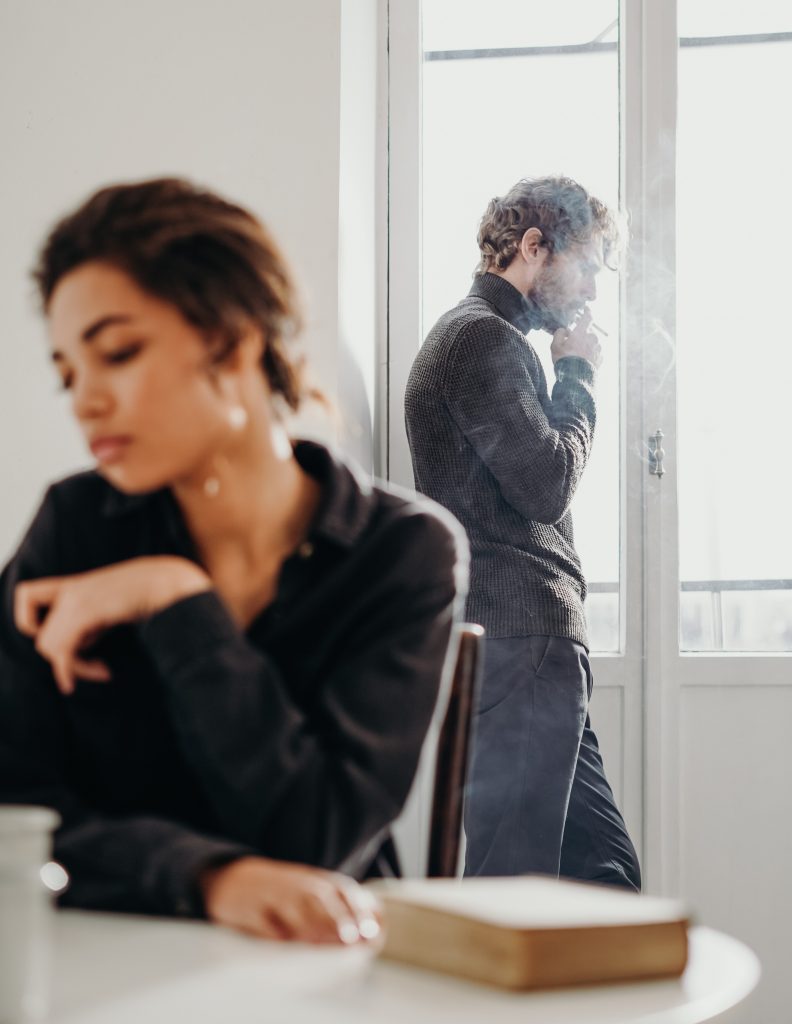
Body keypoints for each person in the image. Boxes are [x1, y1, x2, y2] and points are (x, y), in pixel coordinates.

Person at [0, 178, 467, 943]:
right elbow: (13, 814)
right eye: (67, 374)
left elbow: (316, 839)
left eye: (116, 352)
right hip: (102, 960)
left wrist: (178, 602)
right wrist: (204, 875)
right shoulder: (74, 525)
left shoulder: (404, 552)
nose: (84, 400)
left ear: (236, 339)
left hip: (315, 973)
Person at [404, 176, 640, 889]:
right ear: (534, 246)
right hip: (521, 641)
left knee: (607, 876)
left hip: (528, 643)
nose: (593, 293)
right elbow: (545, 485)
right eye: (589, 266)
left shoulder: (486, 338)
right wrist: (576, 375)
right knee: (514, 884)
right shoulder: (481, 337)